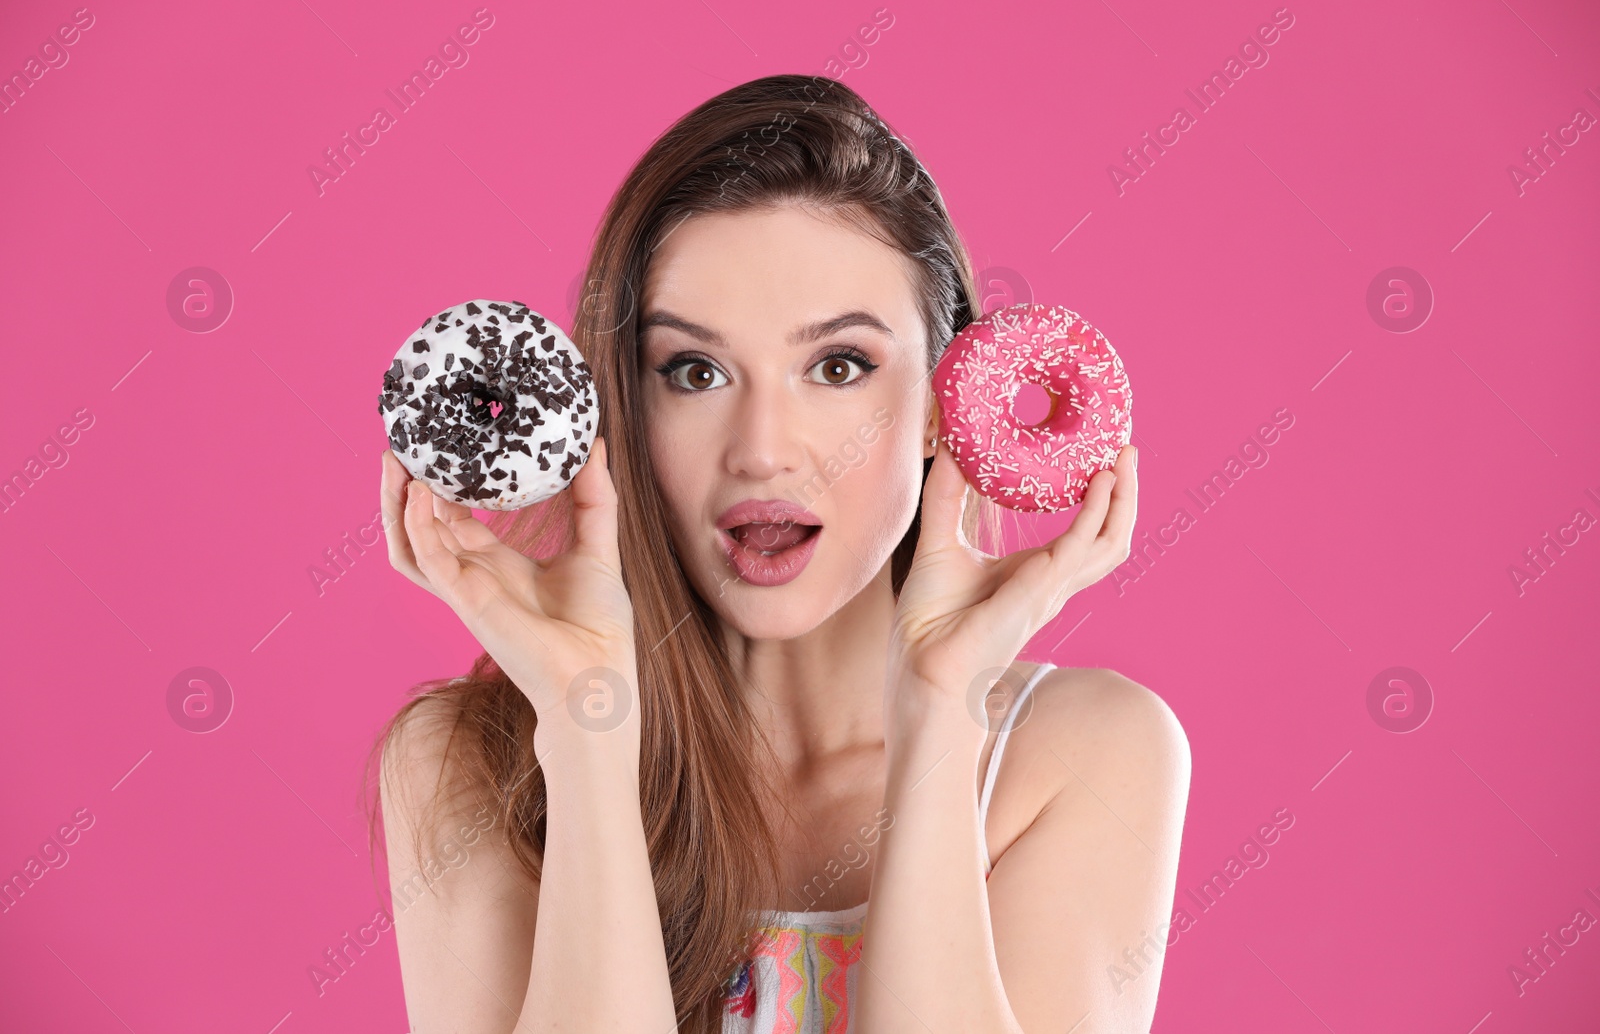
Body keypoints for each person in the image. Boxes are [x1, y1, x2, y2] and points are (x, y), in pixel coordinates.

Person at [368, 73, 1189, 1034]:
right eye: (695, 371)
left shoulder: (1086, 754)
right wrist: (586, 732)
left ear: (941, 402)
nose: (761, 447)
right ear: (621, 407)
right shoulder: (478, 764)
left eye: (838, 366)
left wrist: (940, 710)